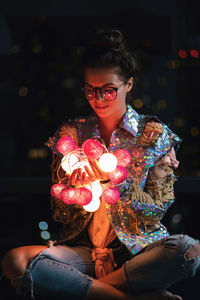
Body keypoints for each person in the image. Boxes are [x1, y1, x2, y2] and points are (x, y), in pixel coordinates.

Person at [1, 29, 200, 300]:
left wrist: (116, 183)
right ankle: (133, 297)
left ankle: (89, 289)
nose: (98, 99)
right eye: (90, 90)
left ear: (128, 85)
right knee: (14, 261)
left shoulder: (153, 135)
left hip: (136, 251)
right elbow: (60, 211)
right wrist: (75, 188)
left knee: (187, 251)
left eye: (108, 91)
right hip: (82, 252)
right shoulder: (71, 134)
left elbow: (155, 210)